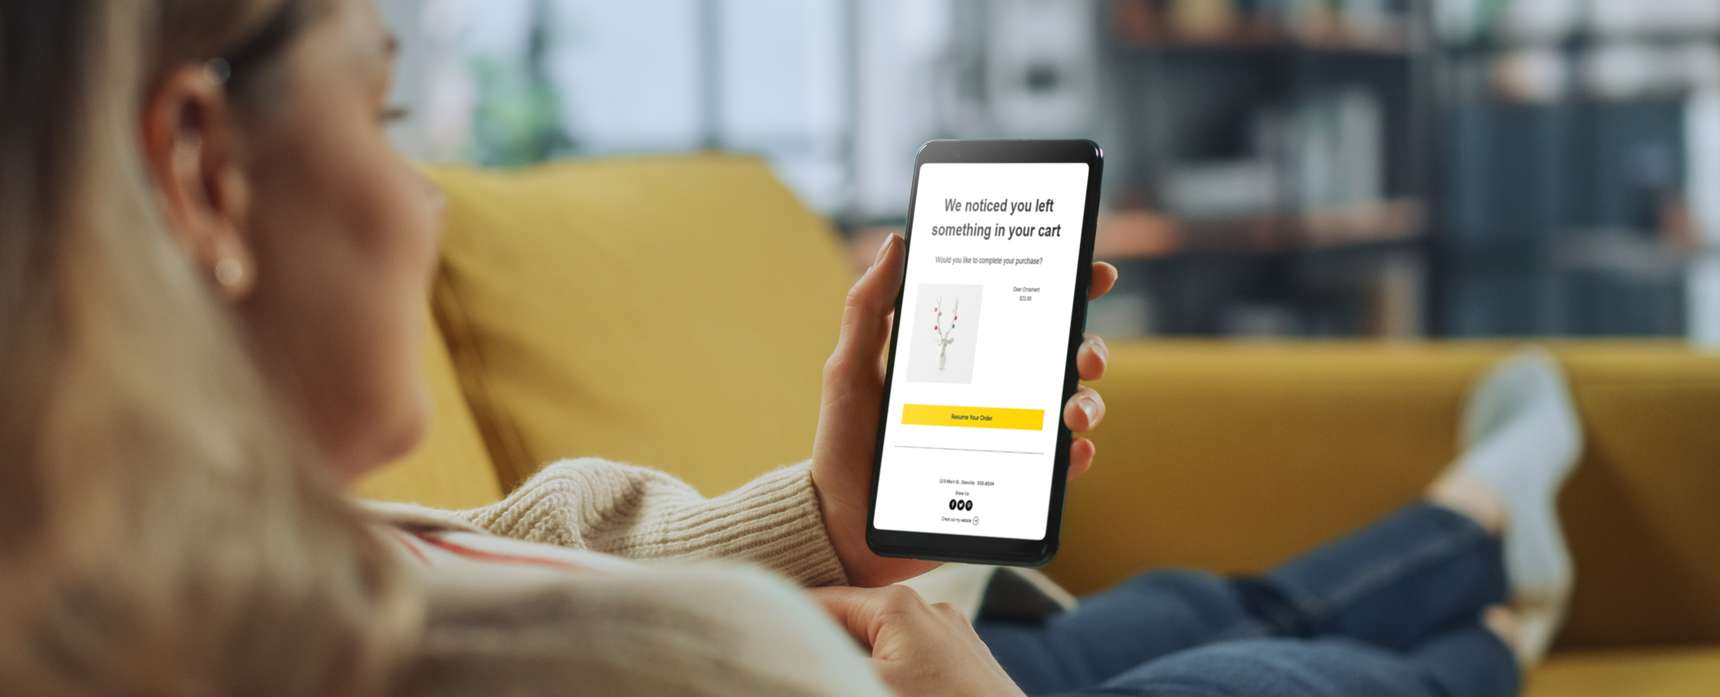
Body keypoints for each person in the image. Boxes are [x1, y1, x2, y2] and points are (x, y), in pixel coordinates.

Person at [0, 0, 1582, 695]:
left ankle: (1492, 524)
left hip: (849, 628)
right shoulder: (667, 674)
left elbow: (488, 543)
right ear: (204, 173)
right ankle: (1505, 587)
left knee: (1177, 607)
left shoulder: (160, 549)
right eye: (384, 109)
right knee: (1267, 672)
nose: (421, 200)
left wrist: (832, 516)